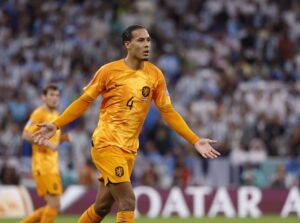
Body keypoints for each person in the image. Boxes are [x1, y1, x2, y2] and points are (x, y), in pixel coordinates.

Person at [33, 25, 221, 223]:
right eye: (140, 40)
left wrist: (194, 139)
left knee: (103, 206)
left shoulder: (155, 75)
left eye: (148, 40)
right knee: (128, 200)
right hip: (107, 144)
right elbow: (84, 101)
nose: (147, 44)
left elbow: (168, 111)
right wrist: (57, 124)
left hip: (129, 149)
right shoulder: (109, 71)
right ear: (127, 45)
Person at [21, 84, 69, 223]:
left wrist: (62, 140)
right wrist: (49, 144)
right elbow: (25, 134)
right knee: (54, 205)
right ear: (43, 97)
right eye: (51, 95)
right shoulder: (39, 113)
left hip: (52, 165)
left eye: (57, 95)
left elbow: (52, 142)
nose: (55, 98)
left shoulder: (55, 116)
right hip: (42, 164)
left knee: (54, 206)